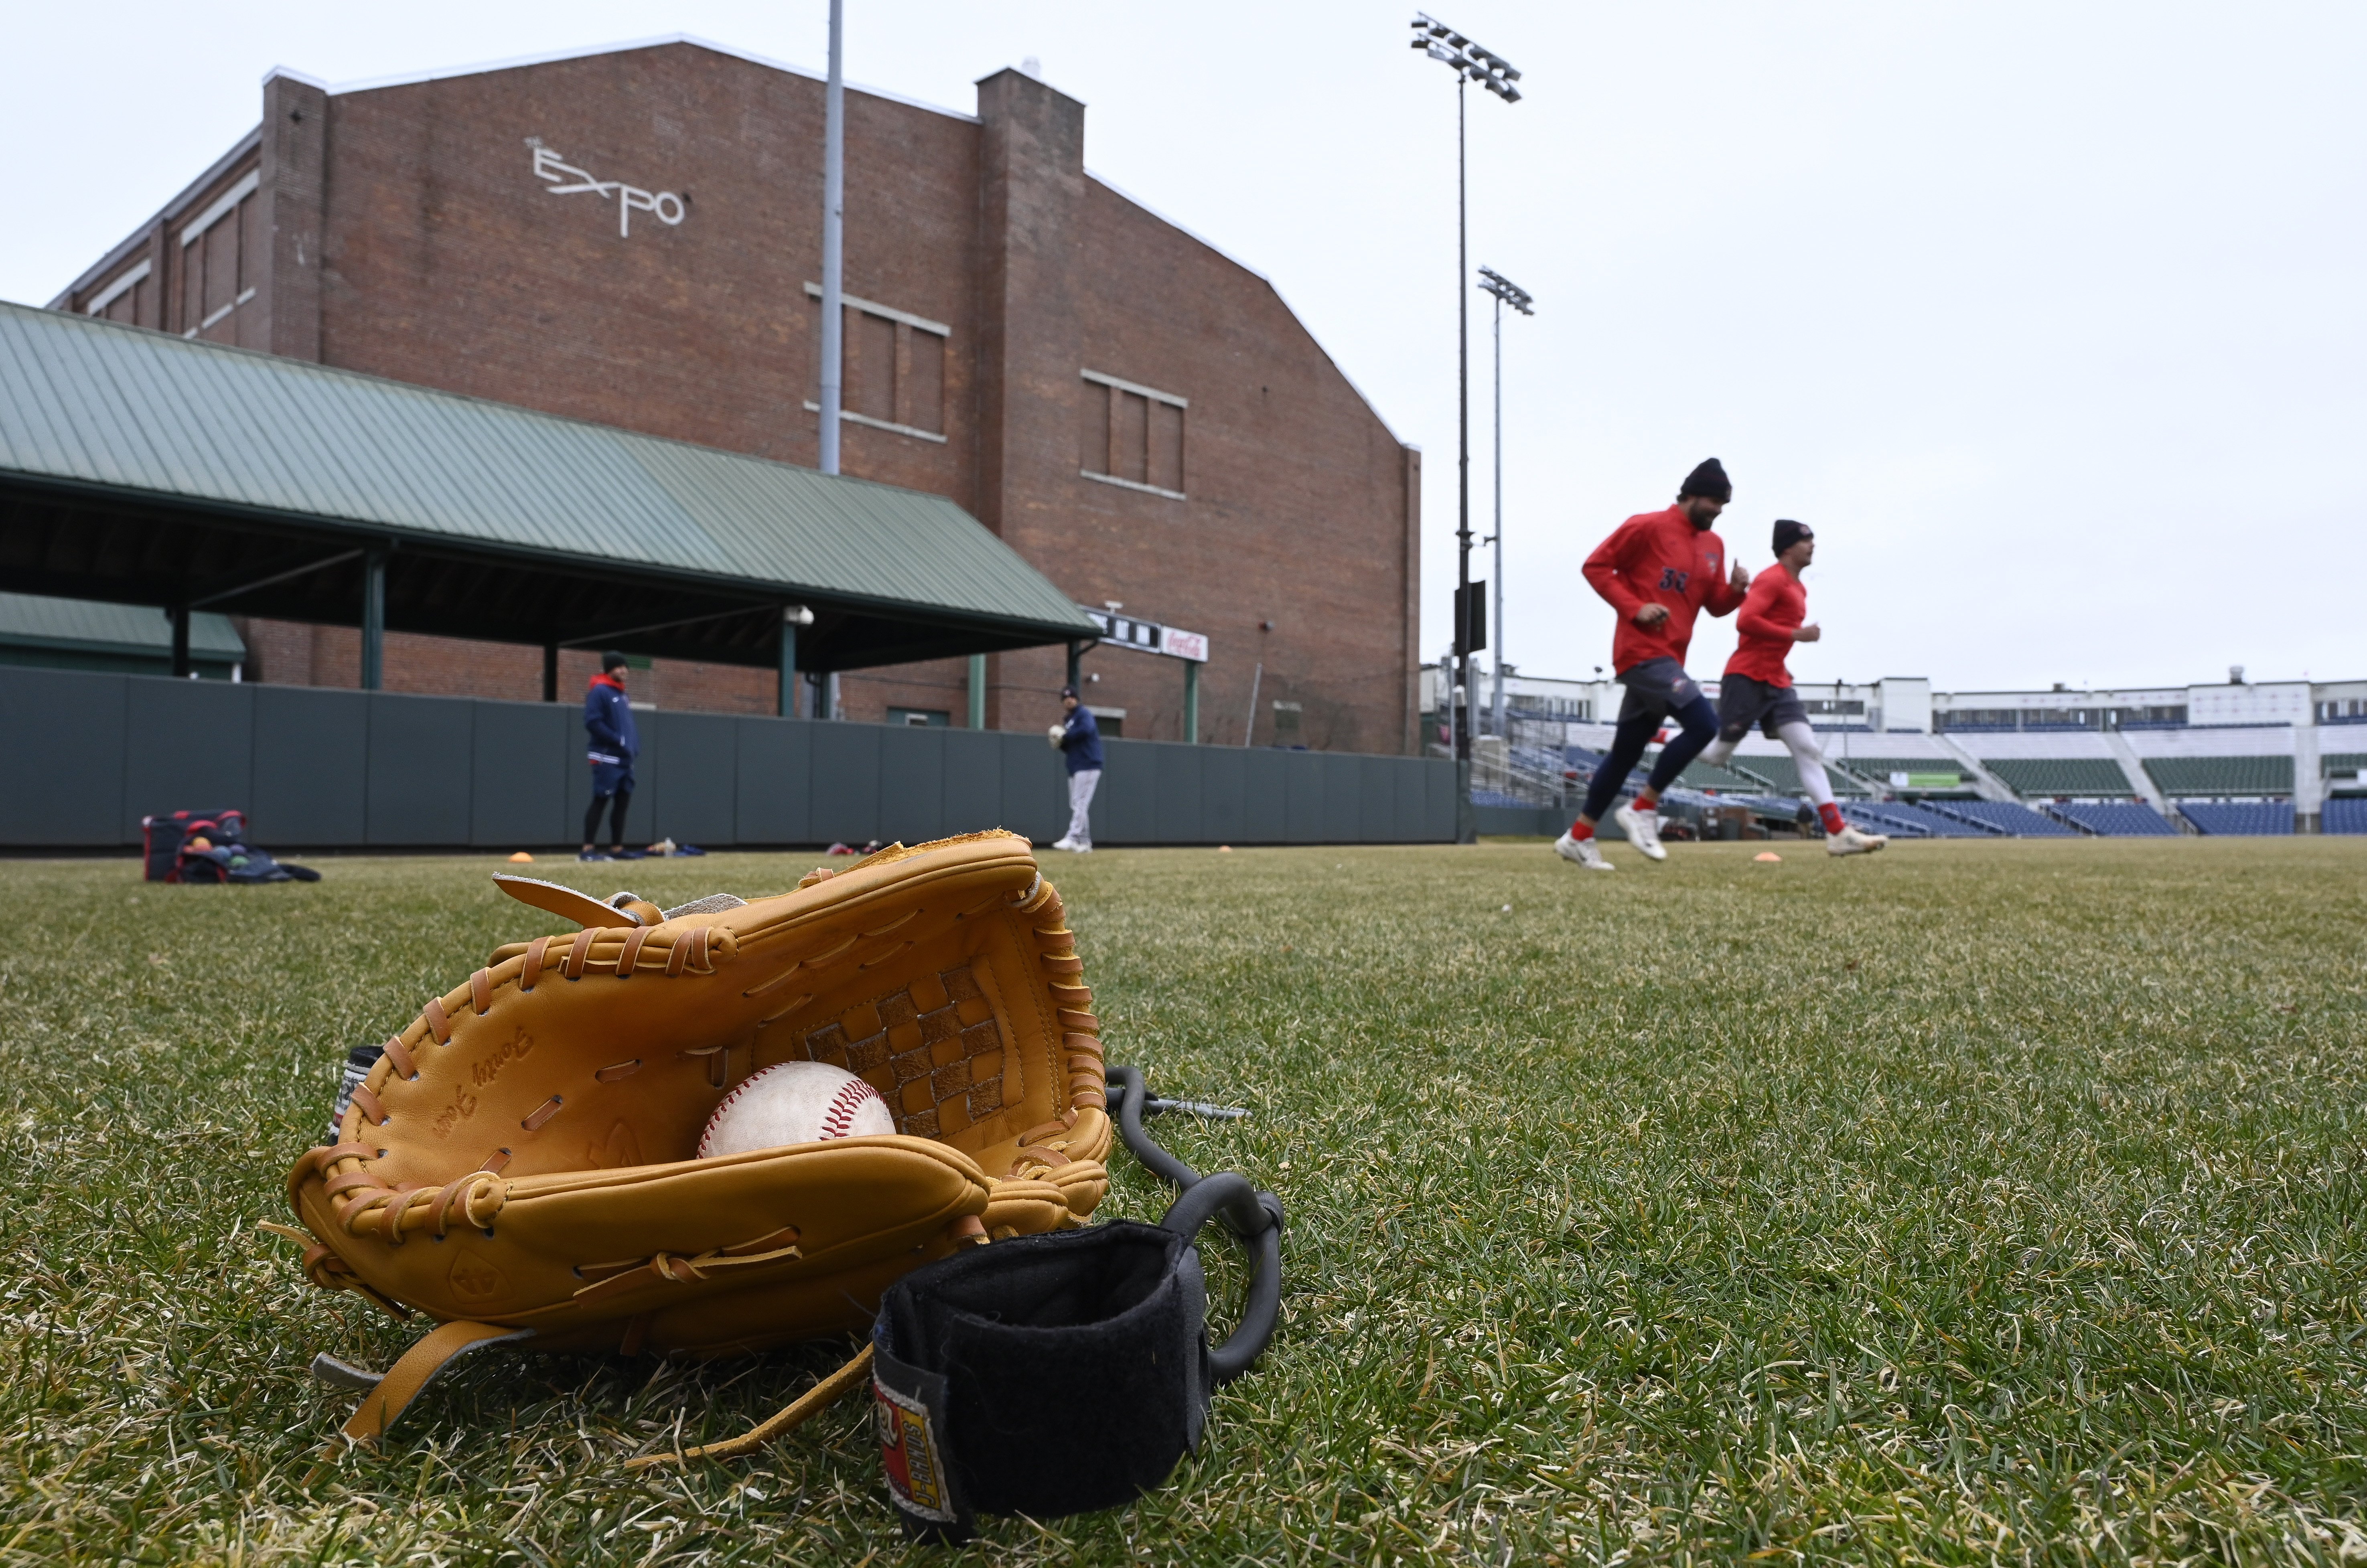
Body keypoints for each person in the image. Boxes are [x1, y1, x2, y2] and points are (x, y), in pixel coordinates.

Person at [1555, 458, 1750, 871]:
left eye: (1723, 504)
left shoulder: (1714, 546)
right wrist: (1635, 607)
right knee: (1704, 724)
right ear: (1691, 494)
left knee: (1625, 753)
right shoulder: (1646, 527)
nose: (1718, 510)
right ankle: (1644, 807)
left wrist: (1735, 592)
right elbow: (1595, 566)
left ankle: (1579, 837)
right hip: (1640, 653)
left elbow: (1713, 605)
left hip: (1670, 658)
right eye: (1714, 501)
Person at [1700, 520, 1888, 856]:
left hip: (1777, 680)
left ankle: (1837, 834)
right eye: (1806, 541)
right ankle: (1657, 735)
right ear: (1787, 547)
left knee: (1807, 748)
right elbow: (1744, 622)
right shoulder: (1771, 579)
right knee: (1717, 755)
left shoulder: (1799, 588)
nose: (1813, 546)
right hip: (1746, 677)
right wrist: (1795, 635)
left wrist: (1784, 654)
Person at [581, 651, 639, 861]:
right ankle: (587, 851)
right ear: (609, 669)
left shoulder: (622, 694)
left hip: (625, 760)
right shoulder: (600, 692)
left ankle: (617, 849)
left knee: (622, 803)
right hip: (607, 758)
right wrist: (618, 740)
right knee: (601, 800)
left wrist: (632, 746)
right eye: (618, 666)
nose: (624, 670)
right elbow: (592, 722)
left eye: (625, 666)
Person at [1049, 685, 1102, 853]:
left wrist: (1065, 736)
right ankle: (1085, 842)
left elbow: (1087, 730)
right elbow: (1071, 746)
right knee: (1078, 805)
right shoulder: (1068, 720)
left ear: (1077, 699)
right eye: (1065, 698)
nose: (1069, 700)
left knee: (1080, 803)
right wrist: (1062, 743)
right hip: (1076, 765)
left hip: (1089, 763)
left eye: (1071, 697)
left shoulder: (1083, 714)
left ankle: (1073, 838)